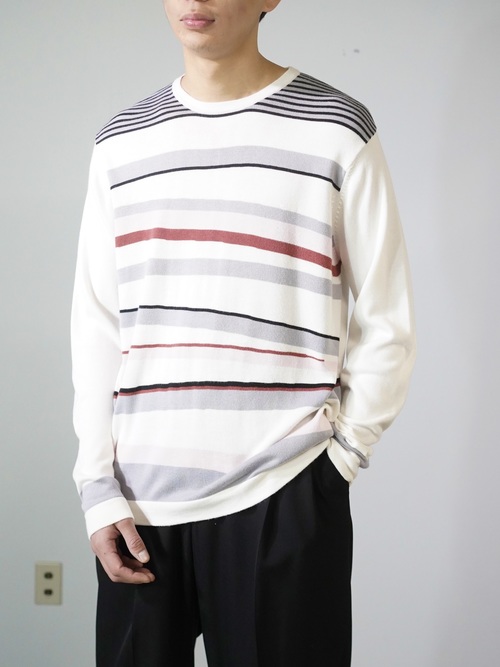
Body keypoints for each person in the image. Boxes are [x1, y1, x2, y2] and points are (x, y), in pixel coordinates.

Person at [71, 1, 416, 665]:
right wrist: (95, 485)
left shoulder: (337, 129)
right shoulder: (120, 142)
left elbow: (386, 317)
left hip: (283, 490)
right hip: (138, 507)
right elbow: (97, 324)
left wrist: (339, 461)